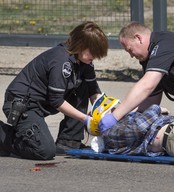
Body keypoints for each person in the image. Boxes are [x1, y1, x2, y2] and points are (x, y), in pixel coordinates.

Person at [0, 21, 108, 160]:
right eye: (93, 52)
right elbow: (56, 100)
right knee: (45, 151)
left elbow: (93, 90)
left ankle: (69, 141)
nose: (95, 57)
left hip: (42, 104)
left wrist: (102, 111)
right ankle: (5, 137)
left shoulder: (83, 61)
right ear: (81, 46)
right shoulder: (61, 60)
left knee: (83, 85)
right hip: (23, 105)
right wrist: (86, 119)